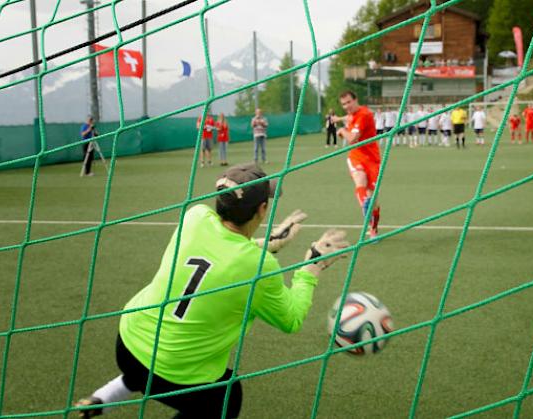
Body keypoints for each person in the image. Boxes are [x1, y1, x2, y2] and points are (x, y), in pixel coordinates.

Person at [74, 163, 349, 419]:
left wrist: (271, 242)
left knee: (150, 364)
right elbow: (291, 319)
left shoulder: (195, 217)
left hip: (127, 344)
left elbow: (223, 251)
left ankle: (102, 398)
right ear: (262, 209)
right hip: (173, 375)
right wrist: (312, 266)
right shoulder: (258, 266)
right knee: (227, 397)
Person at [334, 90, 382, 239]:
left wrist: (341, 130)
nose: (347, 106)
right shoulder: (353, 114)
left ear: (356, 100)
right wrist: (338, 118)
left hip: (372, 158)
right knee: (360, 179)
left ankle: (373, 228)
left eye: (349, 102)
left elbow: (353, 138)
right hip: (356, 156)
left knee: (373, 198)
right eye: (343, 104)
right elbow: (348, 116)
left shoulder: (364, 115)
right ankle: (364, 206)